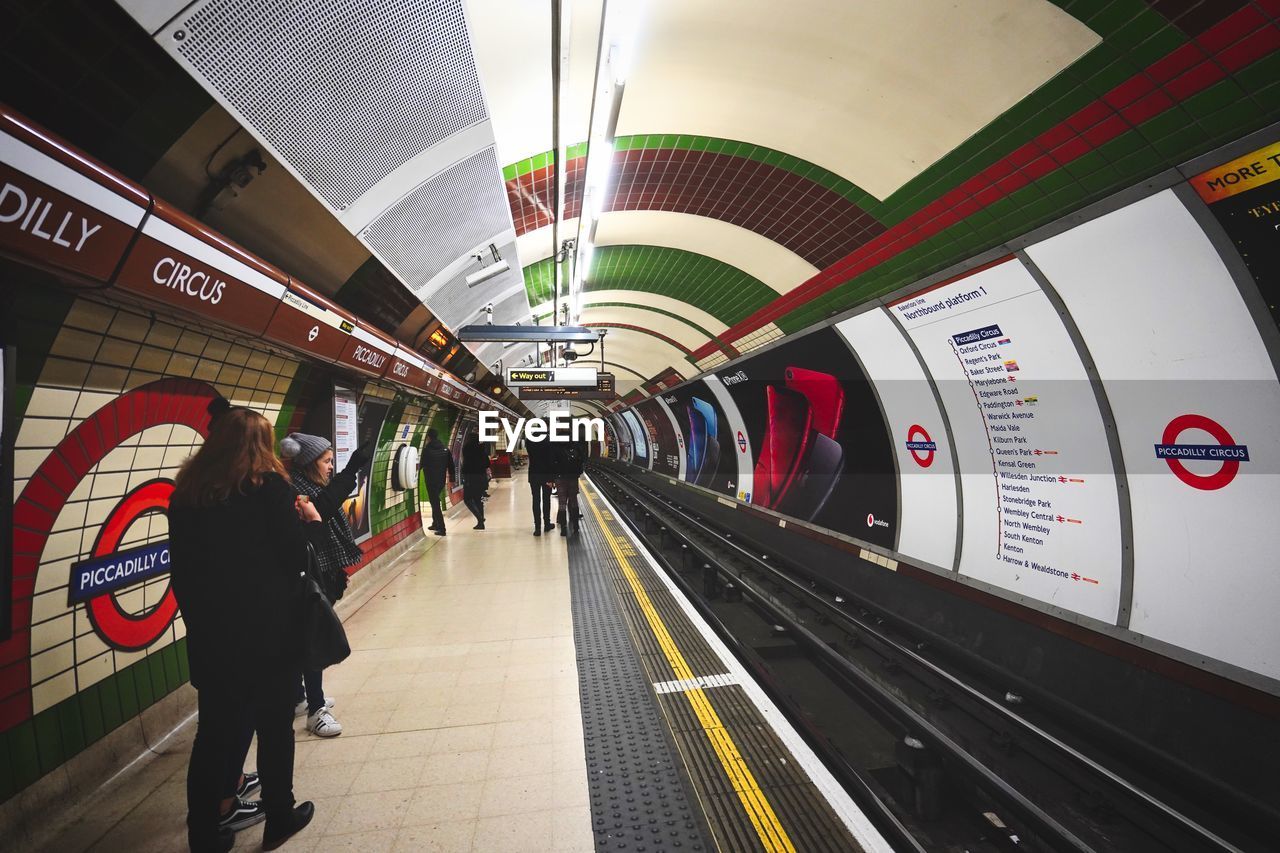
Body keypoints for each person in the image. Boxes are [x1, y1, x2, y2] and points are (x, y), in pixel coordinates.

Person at [168, 401, 317, 852]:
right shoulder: (268, 488)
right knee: (274, 726)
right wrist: (308, 524)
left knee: (214, 733)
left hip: (213, 637)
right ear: (262, 446)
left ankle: (204, 835)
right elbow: (292, 557)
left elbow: (182, 573)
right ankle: (279, 815)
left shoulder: (186, 496)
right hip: (269, 632)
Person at [279, 433, 369, 738]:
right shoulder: (298, 491)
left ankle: (299, 698)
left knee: (304, 636)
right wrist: (353, 468)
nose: (331, 467)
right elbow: (326, 506)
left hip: (315, 572)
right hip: (309, 574)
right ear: (309, 462)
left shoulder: (308, 485)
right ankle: (316, 709)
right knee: (312, 637)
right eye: (327, 461)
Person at [419, 427, 455, 536]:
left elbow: (421, 465)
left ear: (428, 437)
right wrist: (452, 480)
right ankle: (435, 523)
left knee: (435, 503)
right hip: (441, 480)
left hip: (431, 480)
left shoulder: (426, 451)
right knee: (434, 501)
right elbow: (451, 465)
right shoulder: (445, 449)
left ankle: (442, 528)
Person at [552, 438, 586, 537]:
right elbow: (581, 460)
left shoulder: (556, 446)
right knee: (573, 501)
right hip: (572, 477)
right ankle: (576, 526)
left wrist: (553, 477)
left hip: (560, 478)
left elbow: (552, 462)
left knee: (562, 503)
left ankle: (563, 529)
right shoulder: (575, 445)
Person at [525, 434, 555, 536]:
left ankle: (537, 528)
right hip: (546, 475)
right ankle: (547, 524)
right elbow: (551, 460)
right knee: (546, 499)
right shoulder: (548, 440)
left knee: (536, 500)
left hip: (534, 475)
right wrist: (552, 478)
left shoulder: (528, 440)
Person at [460, 436, 491, 530]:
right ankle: (481, 523)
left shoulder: (467, 450)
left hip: (470, 478)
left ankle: (480, 519)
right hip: (481, 478)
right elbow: (487, 464)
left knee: (467, 499)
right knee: (479, 500)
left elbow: (465, 466)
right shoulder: (482, 450)